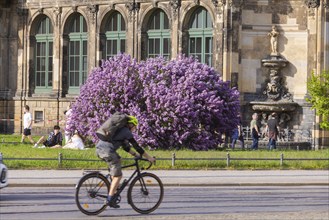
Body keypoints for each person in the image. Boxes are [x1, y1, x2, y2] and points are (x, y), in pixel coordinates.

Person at [96, 115, 155, 208]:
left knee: (118, 160)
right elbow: (136, 146)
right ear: (131, 125)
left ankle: (114, 188)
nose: (134, 129)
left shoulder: (120, 131)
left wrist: (136, 155)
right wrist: (149, 157)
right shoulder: (126, 131)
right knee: (118, 175)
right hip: (107, 151)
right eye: (135, 127)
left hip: (100, 149)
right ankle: (110, 199)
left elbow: (126, 147)